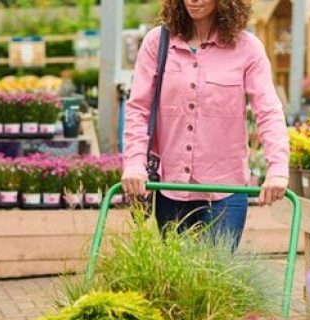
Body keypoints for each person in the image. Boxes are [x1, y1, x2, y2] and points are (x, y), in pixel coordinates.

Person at [121, 0, 290, 250]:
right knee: (178, 282)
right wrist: (134, 164)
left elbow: (268, 112)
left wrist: (277, 169)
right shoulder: (157, 44)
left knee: (215, 277)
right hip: (171, 189)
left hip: (225, 192)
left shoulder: (247, 49)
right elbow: (138, 110)